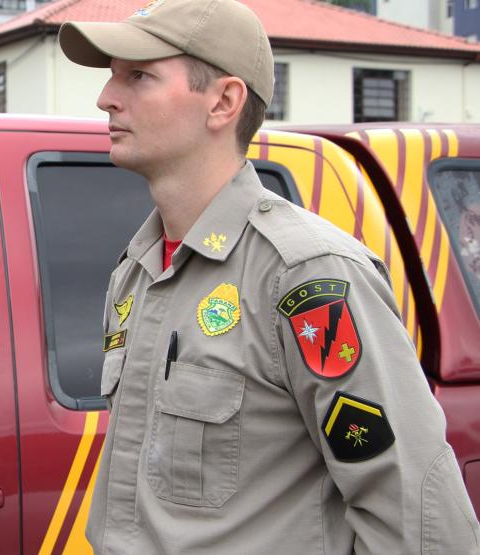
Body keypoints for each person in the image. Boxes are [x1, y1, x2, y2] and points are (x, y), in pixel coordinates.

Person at [58, 0, 480, 553]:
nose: (106, 97)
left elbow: (419, 519)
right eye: (113, 76)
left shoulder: (306, 277)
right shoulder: (139, 269)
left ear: (224, 102)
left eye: (138, 75)